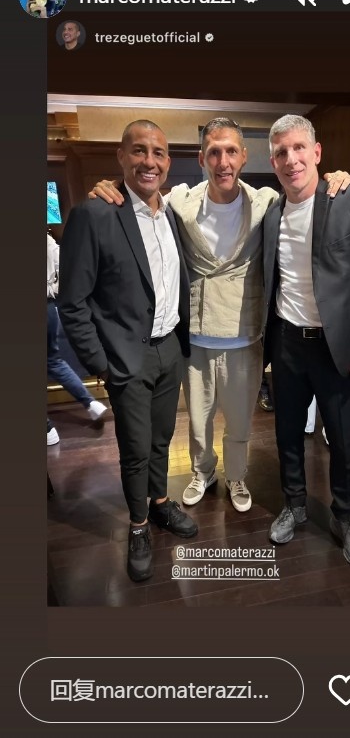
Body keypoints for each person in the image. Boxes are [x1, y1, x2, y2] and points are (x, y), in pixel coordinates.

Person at [89, 118, 350, 516]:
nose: (223, 161)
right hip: (195, 336)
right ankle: (203, 472)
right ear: (202, 159)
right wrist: (109, 184)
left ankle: (237, 476)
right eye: (214, 152)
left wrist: (340, 176)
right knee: (198, 423)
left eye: (231, 151)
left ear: (244, 157)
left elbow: (307, 188)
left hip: (245, 334)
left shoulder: (266, 202)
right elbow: (141, 194)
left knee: (240, 423)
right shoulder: (179, 202)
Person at [58, 121, 198, 583]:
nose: (149, 162)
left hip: (170, 349)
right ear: (121, 157)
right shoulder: (95, 214)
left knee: (161, 440)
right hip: (126, 359)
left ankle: (159, 503)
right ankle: (138, 525)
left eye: (158, 153)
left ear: (168, 161)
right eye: (139, 151)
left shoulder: (171, 214)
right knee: (135, 449)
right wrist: (101, 363)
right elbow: (72, 302)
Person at [263, 115, 350, 569]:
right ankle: (294, 505)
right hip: (286, 344)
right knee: (287, 435)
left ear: (317, 152)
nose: (291, 159)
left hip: (338, 349)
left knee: (343, 439)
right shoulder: (272, 213)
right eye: (281, 152)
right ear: (273, 161)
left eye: (299, 147)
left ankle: (346, 517)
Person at [47, 232, 107, 444]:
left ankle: (46, 428)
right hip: (48, 308)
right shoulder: (48, 240)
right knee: (53, 360)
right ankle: (90, 403)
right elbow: (65, 270)